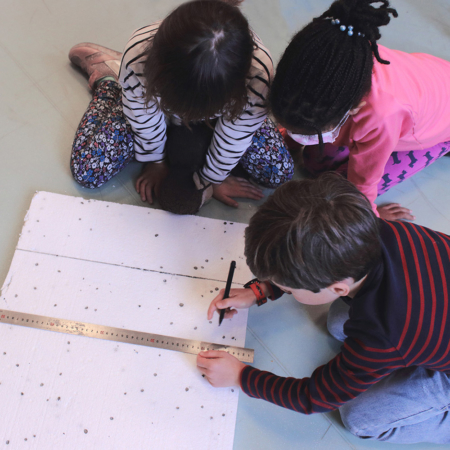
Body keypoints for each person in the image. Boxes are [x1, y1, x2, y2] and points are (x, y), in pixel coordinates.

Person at [197, 173, 450, 444]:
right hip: (432, 310)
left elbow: (314, 397)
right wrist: (261, 290)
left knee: (358, 418)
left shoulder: (383, 332)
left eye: (290, 289)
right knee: (338, 324)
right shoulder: (373, 228)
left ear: (340, 287)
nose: (286, 290)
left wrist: (241, 376)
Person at [68, 0, 294, 214]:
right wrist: (155, 160)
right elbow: (141, 113)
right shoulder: (140, 51)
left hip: (224, 118)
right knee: (88, 171)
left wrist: (213, 178)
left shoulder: (258, 73)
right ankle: (111, 83)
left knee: (279, 173)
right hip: (153, 108)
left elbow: (237, 133)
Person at [268, 0, 450, 221]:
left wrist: (368, 213)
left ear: (353, 110)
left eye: (309, 132)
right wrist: (292, 141)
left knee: (338, 190)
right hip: (431, 82)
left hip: (435, 131)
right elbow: (304, 109)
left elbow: (363, 183)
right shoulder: (346, 58)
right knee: (316, 165)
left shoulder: (382, 115)